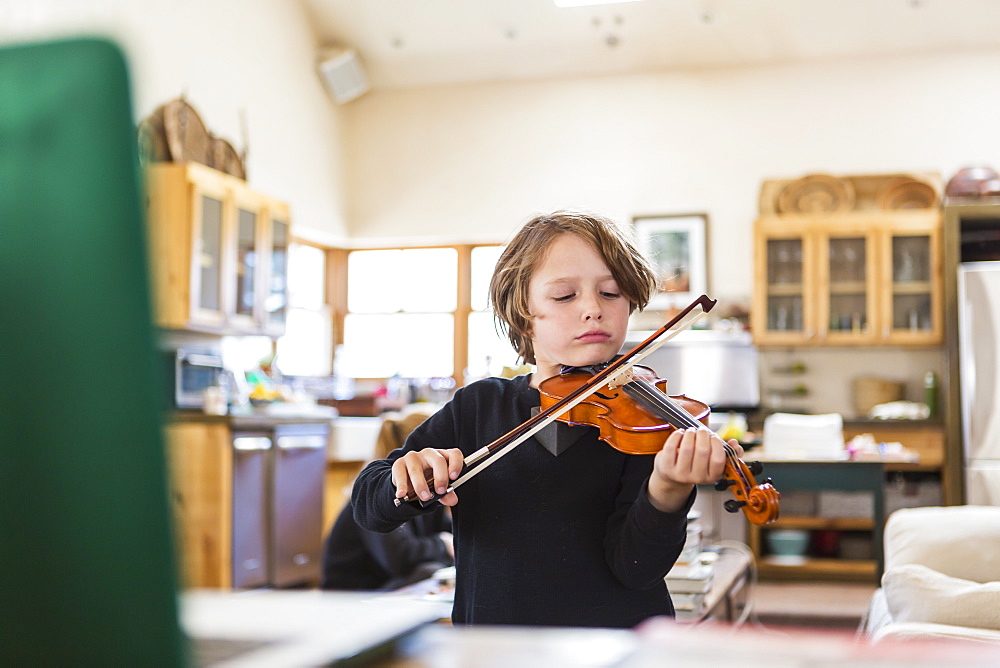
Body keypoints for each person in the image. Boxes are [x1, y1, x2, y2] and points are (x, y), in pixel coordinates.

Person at [352, 210, 740, 628]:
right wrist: (403, 476)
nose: (593, 309)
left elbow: (637, 568)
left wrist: (667, 488)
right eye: (564, 296)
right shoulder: (478, 406)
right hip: (494, 649)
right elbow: (369, 507)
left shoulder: (644, 419)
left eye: (611, 293)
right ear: (523, 314)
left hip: (614, 648)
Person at [321, 408, 454, 591]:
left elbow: (449, 531)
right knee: (429, 572)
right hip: (352, 597)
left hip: (383, 585)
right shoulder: (377, 497)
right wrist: (443, 544)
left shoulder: (429, 490)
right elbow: (399, 559)